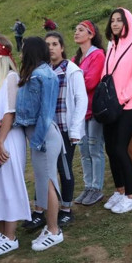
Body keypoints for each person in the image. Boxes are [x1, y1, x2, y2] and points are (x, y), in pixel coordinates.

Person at [0, 35, 30, 256]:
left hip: (6, 137)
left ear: (0, 56)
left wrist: (1, 141)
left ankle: (11, 236)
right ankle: (2, 232)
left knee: (7, 181)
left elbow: (9, 111)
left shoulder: (10, 78)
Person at [15, 37, 66, 249]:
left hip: (42, 135)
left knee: (47, 183)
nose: (20, 53)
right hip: (39, 134)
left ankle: (54, 230)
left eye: (23, 50)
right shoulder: (36, 73)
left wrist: (37, 141)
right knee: (44, 181)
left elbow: (45, 113)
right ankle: (51, 227)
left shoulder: (41, 75)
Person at [101, 8, 132, 214]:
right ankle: (119, 190)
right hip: (111, 105)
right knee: (110, 149)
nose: (115, 24)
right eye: (113, 20)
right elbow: (106, 73)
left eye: (120, 20)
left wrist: (121, 98)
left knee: (121, 148)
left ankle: (131, 195)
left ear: (128, 22)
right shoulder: (112, 45)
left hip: (128, 105)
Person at [45, 32, 87, 227]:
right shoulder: (45, 70)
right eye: (48, 45)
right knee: (47, 169)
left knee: (64, 168)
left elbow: (81, 100)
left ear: (62, 47)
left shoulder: (72, 70)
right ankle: (46, 208)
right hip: (48, 130)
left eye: (55, 44)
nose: (51, 48)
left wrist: (75, 129)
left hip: (65, 128)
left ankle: (66, 209)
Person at [72, 20, 106, 206]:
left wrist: (75, 85)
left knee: (95, 148)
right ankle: (88, 186)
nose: (76, 33)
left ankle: (96, 188)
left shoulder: (98, 55)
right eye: (76, 30)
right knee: (84, 150)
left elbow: (90, 82)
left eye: (81, 30)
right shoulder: (76, 59)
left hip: (93, 110)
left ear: (91, 34)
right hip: (79, 112)